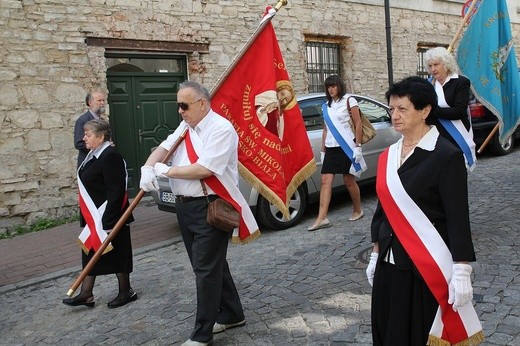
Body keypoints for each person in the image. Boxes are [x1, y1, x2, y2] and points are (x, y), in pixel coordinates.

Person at [366, 76, 483, 345]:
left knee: (415, 334)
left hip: (423, 267)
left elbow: (457, 218)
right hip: (389, 262)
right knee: (387, 332)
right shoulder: (389, 155)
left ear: (425, 111)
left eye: (402, 109)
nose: (394, 116)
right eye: (391, 109)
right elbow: (383, 210)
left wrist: (462, 268)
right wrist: (375, 253)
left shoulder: (446, 155)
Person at [139, 80, 247, 346]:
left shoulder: (220, 129)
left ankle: (202, 334)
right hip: (184, 206)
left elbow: (205, 169)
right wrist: (147, 167)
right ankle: (233, 314)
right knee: (212, 265)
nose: (180, 111)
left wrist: (167, 171)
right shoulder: (186, 126)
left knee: (205, 270)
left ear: (202, 103)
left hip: (209, 206)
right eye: (178, 105)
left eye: (184, 105)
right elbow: (165, 148)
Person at [63, 119, 137, 309]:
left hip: (110, 216)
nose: (83, 138)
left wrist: (109, 221)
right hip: (94, 216)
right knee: (90, 252)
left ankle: (126, 291)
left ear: (101, 137)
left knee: (118, 253)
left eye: (88, 135)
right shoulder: (94, 155)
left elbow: (116, 190)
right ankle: (86, 294)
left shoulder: (110, 155)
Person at [307, 75, 364, 231]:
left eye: (333, 86)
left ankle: (358, 210)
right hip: (331, 147)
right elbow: (326, 129)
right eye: (328, 87)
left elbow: (358, 124)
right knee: (325, 180)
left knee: (348, 180)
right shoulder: (326, 105)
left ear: (339, 86)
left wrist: (358, 146)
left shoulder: (349, 100)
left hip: (346, 145)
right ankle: (322, 217)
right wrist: (323, 150)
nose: (330, 89)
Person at [425, 46, 476, 170]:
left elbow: (458, 112)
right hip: (435, 136)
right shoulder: (427, 85)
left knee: (455, 173)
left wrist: (431, 111)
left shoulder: (461, 82)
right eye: (430, 66)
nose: (433, 69)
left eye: (436, 64)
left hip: (456, 136)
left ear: (446, 64)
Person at [74, 91, 107, 168]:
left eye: (103, 100)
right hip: (88, 163)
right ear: (90, 103)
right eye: (99, 100)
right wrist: (100, 147)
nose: (102, 103)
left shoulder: (102, 120)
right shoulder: (83, 120)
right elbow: (79, 144)